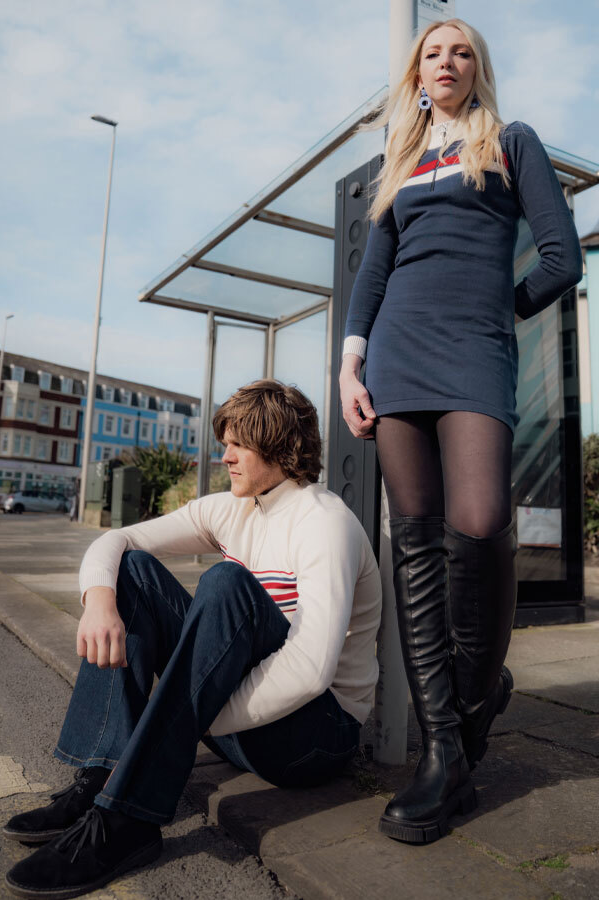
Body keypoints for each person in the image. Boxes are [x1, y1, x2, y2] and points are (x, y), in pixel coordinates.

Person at [339, 17, 582, 845]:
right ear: (417, 73)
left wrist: (499, 309)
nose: (445, 61)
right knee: (414, 540)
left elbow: (562, 259)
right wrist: (349, 366)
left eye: (461, 50)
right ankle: (445, 751)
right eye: (432, 51)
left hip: (475, 353)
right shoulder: (400, 164)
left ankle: (473, 707)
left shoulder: (510, 142)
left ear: (478, 69)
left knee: (479, 526)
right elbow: (373, 274)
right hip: (396, 358)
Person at [4, 380, 382, 899]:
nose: (223, 456)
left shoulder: (324, 522)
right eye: (223, 442)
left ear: (279, 446)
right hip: (237, 717)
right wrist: (98, 602)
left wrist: (180, 720)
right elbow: (118, 540)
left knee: (225, 583)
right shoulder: (233, 508)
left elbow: (311, 670)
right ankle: (100, 778)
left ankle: (125, 820)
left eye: (236, 445)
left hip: (314, 737)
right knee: (132, 571)